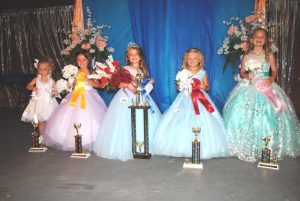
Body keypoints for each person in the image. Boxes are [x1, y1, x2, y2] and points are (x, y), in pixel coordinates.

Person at [223, 27, 300, 163]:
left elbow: (275, 70)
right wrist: (248, 75)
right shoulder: (246, 55)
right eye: (256, 37)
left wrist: (270, 79)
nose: (259, 39)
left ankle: (267, 145)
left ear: (266, 41)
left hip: (266, 85)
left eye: (262, 37)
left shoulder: (268, 55)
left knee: (269, 112)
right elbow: (242, 72)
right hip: (249, 85)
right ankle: (242, 144)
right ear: (252, 39)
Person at [153, 48, 229, 159]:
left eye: (195, 58)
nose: (192, 60)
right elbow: (178, 87)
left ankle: (203, 147)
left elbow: (207, 86)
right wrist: (183, 85)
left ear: (200, 60)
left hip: (200, 98)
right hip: (185, 97)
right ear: (185, 60)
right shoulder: (183, 72)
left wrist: (201, 86)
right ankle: (180, 146)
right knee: (181, 118)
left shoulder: (202, 72)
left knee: (203, 118)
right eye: (189, 58)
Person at [93, 43, 161, 161]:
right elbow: (118, 84)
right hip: (126, 98)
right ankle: (127, 146)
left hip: (141, 97)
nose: (134, 57)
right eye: (131, 55)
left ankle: (142, 146)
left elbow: (144, 85)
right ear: (127, 57)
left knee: (142, 119)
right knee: (126, 121)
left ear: (140, 57)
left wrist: (149, 82)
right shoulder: (125, 69)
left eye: (136, 54)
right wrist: (128, 85)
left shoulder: (143, 70)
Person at [43, 50, 107, 151]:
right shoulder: (74, 72)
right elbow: (72, 88)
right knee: (70, 117)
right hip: (76, 96)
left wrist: (87, 79)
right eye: (79, 60)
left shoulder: (92, 72)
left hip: (89, 97)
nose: (81, 62)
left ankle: (89, 141)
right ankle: (74, 141)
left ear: (88, 60)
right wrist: (72, 83)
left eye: (84, 59)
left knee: (89, 117)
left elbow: (98, 85)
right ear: (76, 61)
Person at [21, 57, 58, 137]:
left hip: (49, 103)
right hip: (39, 103)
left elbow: (54, 91)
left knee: (49, 120)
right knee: (41, 121)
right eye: (40, 69)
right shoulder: (36, 79)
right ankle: (42, 136)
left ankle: (49, 135)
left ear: (49, 70)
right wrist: (32, 87)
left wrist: (55, 92)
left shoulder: (51, 80)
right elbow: (28, 86)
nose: (41, 71)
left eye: (44, 69)